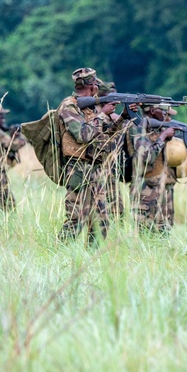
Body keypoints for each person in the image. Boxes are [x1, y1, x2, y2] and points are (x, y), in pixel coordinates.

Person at [56, 67, 130, 243]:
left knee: (101, 221)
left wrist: (122, 117)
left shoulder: (92, 108)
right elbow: (83, 135)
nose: (98, 85)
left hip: (95, 169)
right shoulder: (69, 106)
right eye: (96, 82)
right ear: (91, 85)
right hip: (78, 169)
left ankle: (92, 260)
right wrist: (103, 114)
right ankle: (59, 254)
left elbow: (105, 136)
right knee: (76, 219)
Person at [131, 103, 179, 233]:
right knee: (144, 230)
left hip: (159, 189)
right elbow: (146, 157)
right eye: (162, 112)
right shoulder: (138, 128)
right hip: (144, 189)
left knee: (163, 230)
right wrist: (162, 137)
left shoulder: (156, 129)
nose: (165, 116)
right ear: (152, 111)